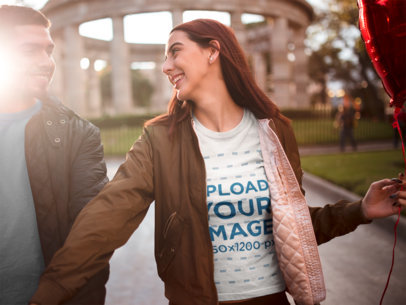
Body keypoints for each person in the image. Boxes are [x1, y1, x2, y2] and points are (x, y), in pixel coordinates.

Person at [30, 19, 405, 305]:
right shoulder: (159, 140)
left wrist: (360, 210)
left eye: (174, 51)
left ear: (213, 51)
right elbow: (104, 221)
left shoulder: (276, 131)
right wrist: (47, 294)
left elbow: (295, 227)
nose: (165, 66)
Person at [0, 5, 109, 305]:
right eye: (29, 50)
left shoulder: (79, 135)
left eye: (48, 51)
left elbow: (91, 239)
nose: (46, 62)